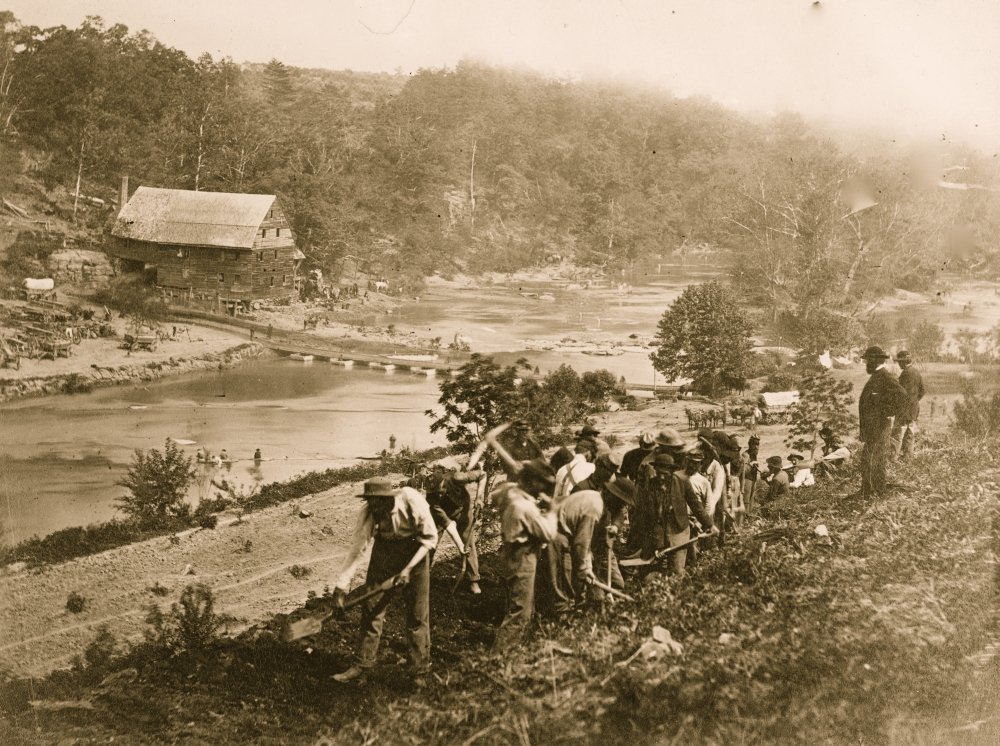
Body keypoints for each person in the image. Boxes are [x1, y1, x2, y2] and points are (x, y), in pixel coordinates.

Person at [328, 477, 438, 684]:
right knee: (372, 609)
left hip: (416, 549)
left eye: (377, 501)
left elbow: (430, 539)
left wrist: (407, 570)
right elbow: (357, 549)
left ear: (388, 499)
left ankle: (419, 672)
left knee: (417, 614)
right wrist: (341, 588)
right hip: (385, 551)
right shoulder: (369, 512)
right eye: (370, 501)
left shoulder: (411, 500)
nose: (374, 507)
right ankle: (362, 667)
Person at [489, 458, 558, 654]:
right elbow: (548, 533)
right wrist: (552, 511)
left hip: (513, 554)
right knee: (520, 613)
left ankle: (515, 652)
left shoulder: (511, 492)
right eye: (542, 484)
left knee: (522, 606)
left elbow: (499, 491)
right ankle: (499, 658)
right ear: (532, 482)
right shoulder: (524, 507)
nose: (544, 489)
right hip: (523, 556)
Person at [542, 487, 604, 614]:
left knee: (568, 574)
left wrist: (588, 568)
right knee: (562, 576)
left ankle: (569, 607)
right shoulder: (594, 508)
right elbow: (581, 544)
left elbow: (586, 541)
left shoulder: (594, 496)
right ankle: (562, 616)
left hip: (559, 528)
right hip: (555, 532)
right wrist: (584, 570)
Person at [858, 346, 908, 498]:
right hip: (873, 428)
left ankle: (877, 493)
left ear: (875, 360)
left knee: (876, 460)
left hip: (879, 427)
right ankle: (868, 491)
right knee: (869, 459)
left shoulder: (885, 377)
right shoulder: (877, 376)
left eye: (868, 360)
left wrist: (887, 413)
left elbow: (902, 396)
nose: (866, 363)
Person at [891, 350, 925, 461]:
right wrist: (914, 402)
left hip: (903, 410)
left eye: (900, 362)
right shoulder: (916, 372)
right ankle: (907, 458)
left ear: (904, 362)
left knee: (897, 435)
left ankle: (893, 459)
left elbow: (901, 393)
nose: (898, 364)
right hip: (913, 409)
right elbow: (922, 391)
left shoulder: (905, 373)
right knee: (910, 434)